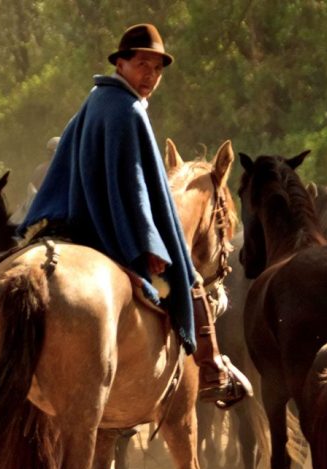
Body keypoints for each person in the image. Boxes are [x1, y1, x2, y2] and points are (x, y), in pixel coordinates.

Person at [17, 23, 252, 408]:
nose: (151, 76)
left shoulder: (95, 99)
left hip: (76, 221)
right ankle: (210, 370)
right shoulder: (128, 110)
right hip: (110, 231)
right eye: (142, 64)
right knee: (190, 279)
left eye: (157, 69)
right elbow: (137, 188)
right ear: (121, 63)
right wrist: (148, 243)